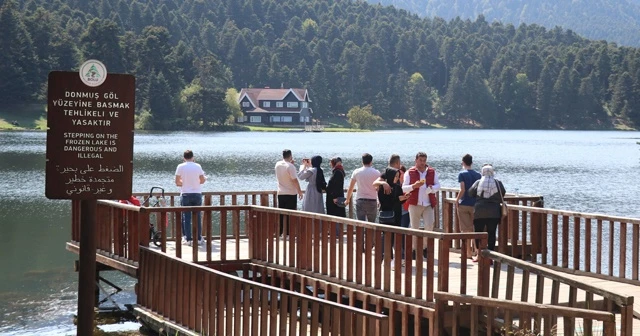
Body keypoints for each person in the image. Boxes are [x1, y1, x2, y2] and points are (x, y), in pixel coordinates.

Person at [402, 151, 440, 259]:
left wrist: (433, 188)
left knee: (429, 225)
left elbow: (438, 185)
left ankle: (424, 247)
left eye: (424, 161)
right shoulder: (409, 172)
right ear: (416, 160)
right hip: (414, 203)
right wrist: (414, 186)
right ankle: (414, 249)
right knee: (414, 228)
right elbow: (404, 188)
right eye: (420, 160)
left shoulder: (432, 172)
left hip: (428, 204)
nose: (422, 163)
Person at [468, 164, 506, 260]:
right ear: (492, 171)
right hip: (494, 212)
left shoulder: (478, 182)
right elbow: (503, 193)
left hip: (479, 211)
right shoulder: (497, 183)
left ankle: (478, 254)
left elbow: (470, 193)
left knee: (478, 232)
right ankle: (490, 256)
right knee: (492, 233)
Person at [375, 167, 409, 261]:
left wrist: (405, 198)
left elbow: (399, 201)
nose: (397, 178)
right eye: (395, 176)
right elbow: (385, 203)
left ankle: (396, 259)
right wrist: (398, 199)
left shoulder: (398, 187)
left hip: (397, 215)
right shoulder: (382, 188)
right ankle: (385, 258)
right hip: (387, 215)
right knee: (386, 238)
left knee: (396, 238)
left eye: (398, 176)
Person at [175, 149, 206, 246]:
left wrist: (184, 183)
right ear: (193, 157)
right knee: (197, 216)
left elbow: (177, 182)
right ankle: (199, 238)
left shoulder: (180, 166)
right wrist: (196, 182)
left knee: (186, 217)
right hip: (197, 194)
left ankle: (187, 239)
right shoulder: (198, 166)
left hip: (185, 194)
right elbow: (202, 180)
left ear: (184, 158)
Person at [455, 154, 482, 259]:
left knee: (466, 230)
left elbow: (462, 189)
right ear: (471, 162)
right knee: (475, 228)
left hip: (464, 204)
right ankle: (477, 251)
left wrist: (457, 200)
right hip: (475, 204)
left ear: (463, 162)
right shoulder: (478, 175)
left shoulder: (462, 174)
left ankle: (468, 253)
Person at [275, 149, 304, 235]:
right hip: (291, 193)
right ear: (290, 156)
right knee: (290, 214)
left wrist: (291, 164)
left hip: (281, 192)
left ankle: (280, 232)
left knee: (281, 214)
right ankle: (288, 233)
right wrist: (299, 192)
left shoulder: (278, 164)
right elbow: (294, 180)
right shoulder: (291, 167)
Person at [345, 153, 380, 223]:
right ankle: (370, 234)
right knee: (371, 225)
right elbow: (379, 189)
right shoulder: (376, 173)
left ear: (362, 161)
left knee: (360, 224)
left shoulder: (356, 172)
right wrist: (379, 201)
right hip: (372, 200)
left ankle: (360, 234)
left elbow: (351, 187)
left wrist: (347, 199)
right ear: (371, 162)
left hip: (360, 200)